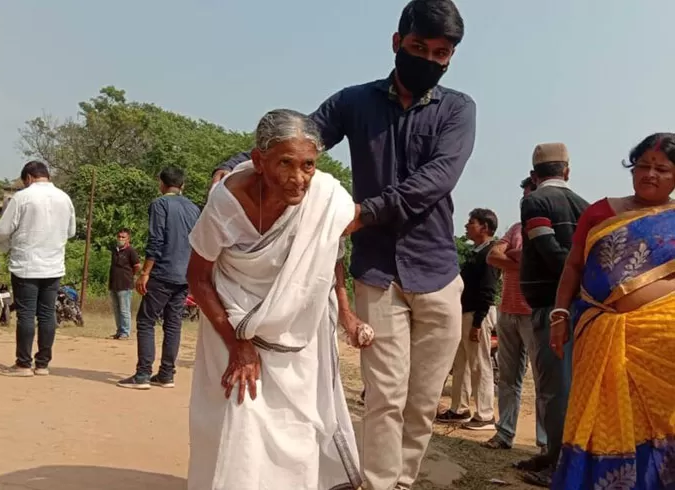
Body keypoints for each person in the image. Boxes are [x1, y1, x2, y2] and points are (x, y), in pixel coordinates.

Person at [211, 1, 474, 487]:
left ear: (450, 58)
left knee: (422, 402)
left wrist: (364, 212)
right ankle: (377, 484)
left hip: (437, 270)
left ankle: (402, 480)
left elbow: (436, 179)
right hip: (376, 272)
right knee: (385, 397)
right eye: (420, 48)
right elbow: (300, 136)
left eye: (441, 53)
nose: (430, 60)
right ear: (397, 44)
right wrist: (235, 166)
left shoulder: (458, 109)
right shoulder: (355, 101)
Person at [187, 109, 367, 490]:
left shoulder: (326, 198)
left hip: (297, 334)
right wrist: (239, 344)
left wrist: (346, 312)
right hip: (231, 322)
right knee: (240, 416)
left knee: (296, 424)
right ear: (257, 161)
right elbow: (198, 278)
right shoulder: (226, 202)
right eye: (285, 163)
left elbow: (328, 255)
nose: (298, 178)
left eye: (308, 165)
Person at [551, 133, 675, 489]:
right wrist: (559, 314)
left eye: (662, 169)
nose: (650, 174)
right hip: (598, 328)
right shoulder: (601, 211)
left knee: (657, 421)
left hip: (660, 340)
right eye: (643, 166)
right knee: (598, 417)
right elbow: (573, 266)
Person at [517, 143, 589, 487]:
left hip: (552, 306)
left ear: (534, 175)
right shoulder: (585, 206)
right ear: (567, 172)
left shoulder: (535, 201)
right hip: (580, 308)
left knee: (553, 390)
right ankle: (554, 455)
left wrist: (569, 280)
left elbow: (546, 246)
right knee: (568, 387)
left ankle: (559, 464)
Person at [117, 167, 200, 390]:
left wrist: (145, 272)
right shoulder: (193, 208)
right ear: (182, 185)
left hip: (163, 272)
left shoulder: (160, 204)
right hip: (184, 275)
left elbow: (156, 240)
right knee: (173, 325)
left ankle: (143, 374)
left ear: (161, 184)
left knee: (146, 321)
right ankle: (166, 374)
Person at [482, 177, 548, 452]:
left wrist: (515, 256)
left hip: (534, 313)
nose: (524, 200)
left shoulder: (549, 228)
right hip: (508, 311)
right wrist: (522, 258)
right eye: (523, 195)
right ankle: (505, 433)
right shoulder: (516, 228)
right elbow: (492, 256)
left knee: (545, 380)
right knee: (508, 378)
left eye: (528, 195)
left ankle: (545, 442)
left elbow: (544, 260)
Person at [0, 161, 76, 377]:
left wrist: (6, 244)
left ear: (29, 178)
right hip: (53, 265)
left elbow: (3, 228)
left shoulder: (22, 197)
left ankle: (23, 364)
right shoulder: (64, 198)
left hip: (26, 265)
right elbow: (71, 231)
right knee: (47, 314)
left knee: (26, 314)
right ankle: (42, 364)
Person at [437, 208, 499, 430]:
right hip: (466, 313)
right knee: (461, 362)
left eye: (471, 222)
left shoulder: (491, 253)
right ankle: (459, 408)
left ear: (484, 227)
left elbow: (488, 290)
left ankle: (485, 414)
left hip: (477, 314)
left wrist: (478, 321)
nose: (466, 226)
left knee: (480, 364)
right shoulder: (476, 252)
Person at [108, 228, 140, 340]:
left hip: (125, 285)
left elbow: (137, 266)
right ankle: (119, 331)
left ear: (128, 239)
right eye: (119, 237)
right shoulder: (114, 250)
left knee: (124, 309)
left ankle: (125, 332)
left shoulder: (131, 251)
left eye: (123, 237)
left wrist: (131, 275)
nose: (120, 239)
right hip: (114, 284)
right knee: (116, 310)